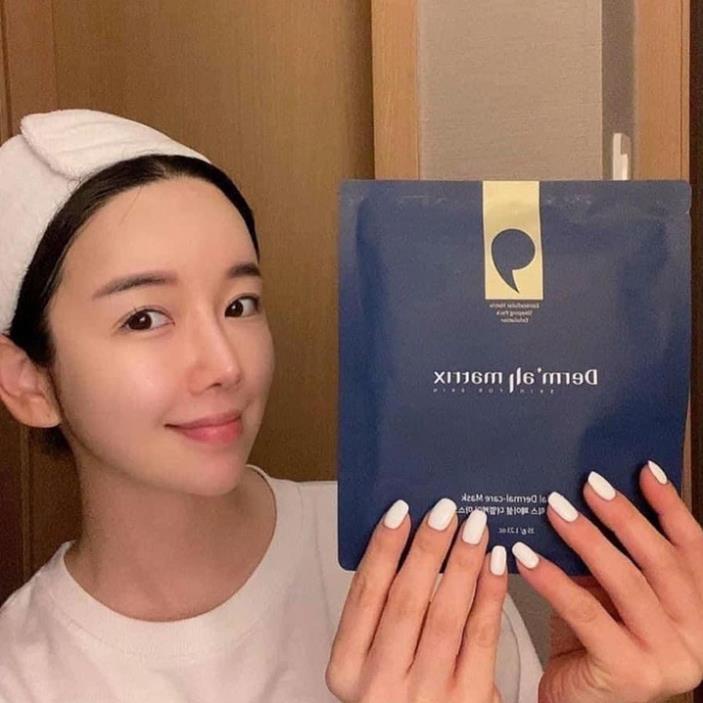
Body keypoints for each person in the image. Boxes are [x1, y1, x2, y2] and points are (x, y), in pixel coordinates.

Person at [0, 110, 700, 703]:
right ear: (27, 381)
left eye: (239, 304)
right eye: (144, 318)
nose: (225, 365)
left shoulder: (411, 549)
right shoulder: (21, 673)